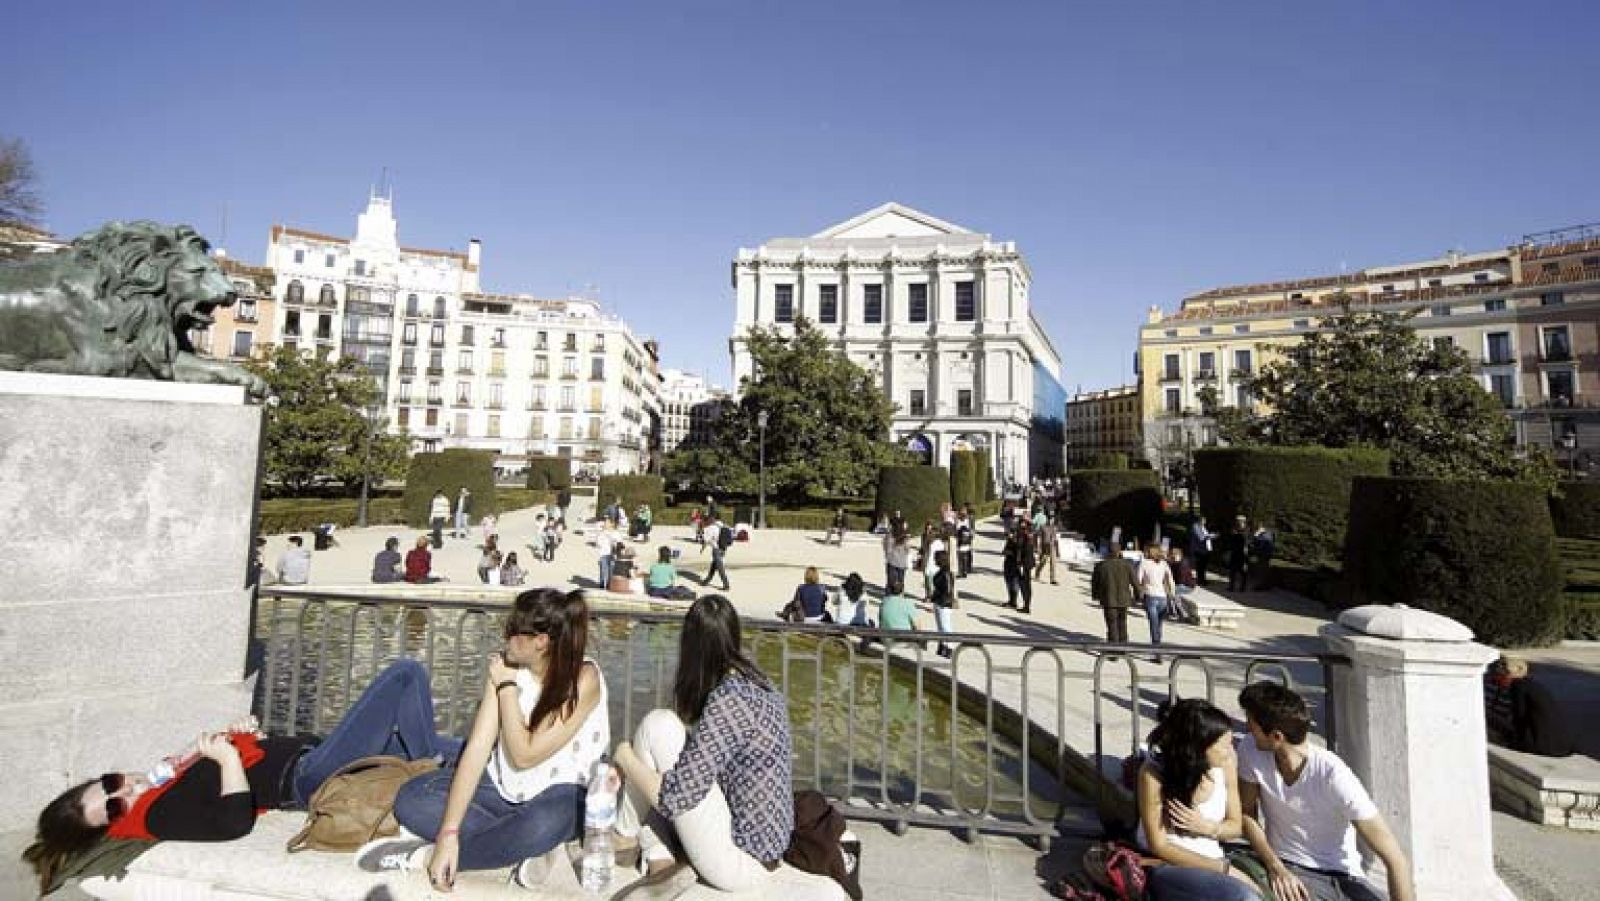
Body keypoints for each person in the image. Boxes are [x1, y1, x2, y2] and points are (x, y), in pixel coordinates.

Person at [24, 659, 459, 895]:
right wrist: (229, 758)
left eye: (109, 782)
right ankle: (430, 768)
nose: (124, 789)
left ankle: (457, 768)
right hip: (309, 778)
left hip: (311, 759)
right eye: (113, 804)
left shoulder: (159, 785)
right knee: (405, 676)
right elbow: (232, 821)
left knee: (465, 748)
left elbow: (223, 782)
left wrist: (241, 740)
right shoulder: (154, 816)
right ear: (114, 824)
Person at [371, 589, 609, 889]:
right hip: (501, 789)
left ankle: (426, 855)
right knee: (411, 799)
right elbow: (478, 749)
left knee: (545, 822)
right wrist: (449, 831)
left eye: (512, 630)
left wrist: (507, 687)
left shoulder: (583, 679)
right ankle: (518, 846)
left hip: (559, 795)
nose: (504, 636)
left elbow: (525, 754)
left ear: (540, 641)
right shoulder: (503, 668)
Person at [613, 595, 793, 895]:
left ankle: (624, 837)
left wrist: (625, 757)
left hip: (740, 863)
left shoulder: (728, 699)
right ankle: (656, 855)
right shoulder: (760, 683)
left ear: (691, 647)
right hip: (766, 850)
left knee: (657, 725)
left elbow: (676, 798)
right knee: (664, 748)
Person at [1236, 682, 1415, 901]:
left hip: (1341, 877)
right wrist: (1276, 867)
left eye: (1251, 724)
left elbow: (1395, 858)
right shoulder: (1250, 749)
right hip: (1286, 867)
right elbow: (1247, 813)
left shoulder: (1334, 776)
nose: (1247, 729)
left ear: (1276, 736)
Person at [1135, 699, 1266, 900]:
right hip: (1167, 864)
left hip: (1214, 858)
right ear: (1199, 748)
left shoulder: (1227, 763)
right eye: (1224, 745)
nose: (1230, 751)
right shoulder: (1153, 774)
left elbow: (1235, 826)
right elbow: (1159, 845)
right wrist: (1224, 869)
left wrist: (1207, 827)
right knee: (1242, 896)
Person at [1484, 655, 1575, 757]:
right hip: (1560, 745)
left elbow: (1519, 717)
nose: (1496, 678)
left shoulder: (1517, 686)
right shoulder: (1530, 684)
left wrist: (1512, 741)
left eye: (1499, 675)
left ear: (1508, 674)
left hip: (1543, 746)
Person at [1091, 547, 1139, 643]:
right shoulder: (1127, 565)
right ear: (1120, 553)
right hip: (1124, 599)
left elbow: (1095, 583)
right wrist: (1137, 596)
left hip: (1108, 599)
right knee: (1122, 623)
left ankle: (1113, 649)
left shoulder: (1101, 565)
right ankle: (1123, 645)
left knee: (1112, 624)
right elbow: (1135, 582)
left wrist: (1095, 595)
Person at [1137, 543, 1178, 650]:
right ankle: (1157, 646)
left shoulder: (1144, 563)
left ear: (1149, 552)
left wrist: (1138, 593)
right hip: (1162, 597)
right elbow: (1170, 580)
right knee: (1158, 625)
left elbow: (1138, 579)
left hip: (1150, 596)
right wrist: (1172, 593)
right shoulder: (1164, 564)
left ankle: (1157, 650)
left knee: (1154, 625)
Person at [1003, 521, 1036, 614]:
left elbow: (1022, 551)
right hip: (1024, 563)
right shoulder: (1026, 537)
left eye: (1023, 528)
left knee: (1025, 585)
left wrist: (1013, 539)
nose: (1021, 530)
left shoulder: (1027, 538)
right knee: (1022, 584)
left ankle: (1026, 606)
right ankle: (1023, 604)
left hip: (1024, 564)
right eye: (1020, 528)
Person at [929, 550, 956, 658]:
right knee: (941, 626)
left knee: (945, 626)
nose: (934, 560)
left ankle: (949, 647)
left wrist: (941, 597)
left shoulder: (946, 573)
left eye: (936, 558)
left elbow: (948, 590)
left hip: (943, 603)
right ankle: (942, 645)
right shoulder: (943, 571)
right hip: (939, 601)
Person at [1168, 547, 1197, 623]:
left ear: (1178, 556)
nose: (1172, 558)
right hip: (1181, 584)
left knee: (1172, 592)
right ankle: (1173, 611)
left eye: (1173, 556)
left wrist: (1172, 584)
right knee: (1170, 591)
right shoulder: (1176, 563)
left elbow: (1181, 581)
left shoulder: (1183, 564)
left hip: (1187, 586)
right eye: (1171, 556)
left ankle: (1182, 614)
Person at [702, 517, 732, 592]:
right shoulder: (720, 524)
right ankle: (707, 580)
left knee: (720, 567)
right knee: (714, 564)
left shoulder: (708, 529)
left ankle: (726, 585)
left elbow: (706, 540)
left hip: (716, 549)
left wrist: (703, 547)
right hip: (723, 548)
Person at [883, 524, 911, 595]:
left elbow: (888, 550)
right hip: (902, 563)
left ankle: (889, 597)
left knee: (891, 582)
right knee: (901, 581)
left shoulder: (890, 537)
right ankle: (900, 595)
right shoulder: (905, 538)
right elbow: (908, 550)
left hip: (892, 561)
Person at [1226, 516, 1251, 592]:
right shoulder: (1235, 529)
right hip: (1234, 553)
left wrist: (1237, 534)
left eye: (1239, 521)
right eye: (1237, 521)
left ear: (1243, 521)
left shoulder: (1246, 530)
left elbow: (1246, 541)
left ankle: (1242, 587)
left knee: (1243, 571)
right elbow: (1232, 540)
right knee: (1232, 571)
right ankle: (1231, 586)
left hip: (1243, 553)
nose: (1237, 522)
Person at [1188, 516, 1213, 587]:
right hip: (1199, 550)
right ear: (1200, 520)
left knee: (1203, 566)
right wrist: (1211, 536)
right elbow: (1201, 537)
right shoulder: (1196, 527)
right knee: (1200, 566)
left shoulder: (1203, 527)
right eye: (1204, 520)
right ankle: (1200, 581)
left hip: (1205, 550)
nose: (1205, 521)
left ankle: (1203, 580)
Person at [1034, 515, 1059, 585]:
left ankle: (1053, 579)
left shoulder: (1054, 528)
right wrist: (1038, 548)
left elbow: (1056, 539)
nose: (1051, 520)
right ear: (1047, 519)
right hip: (1044, 547)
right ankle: (1037, 573)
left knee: (1053, 563)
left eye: (1052, 519)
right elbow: (1039, 537)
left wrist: (1057, 551)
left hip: (1052, 547)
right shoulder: (1043, 527)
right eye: (1050, 518)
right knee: (1043, 561)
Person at [1251, 523, 1276, 591]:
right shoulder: (1268, 534)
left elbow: (1257, 543)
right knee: (1263, 570)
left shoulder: (1265, 535)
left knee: (1262, 571)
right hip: (1265, 555)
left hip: (1263, 555)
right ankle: (1265, 585)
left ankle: (1262, 586)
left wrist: (1256, 534)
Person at [595, 520, 617, 590]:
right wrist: (602, 534)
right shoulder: (601, 533)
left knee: (611, 571)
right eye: (605, 523)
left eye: (607, 523)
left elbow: (618, 542)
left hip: (612, 554)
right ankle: (601, 585)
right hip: (603, 553)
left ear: (611, 524)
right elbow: (598, 543)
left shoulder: (615, 533)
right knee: (603, 570)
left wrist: (611, 538)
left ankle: (609, 585)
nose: (605, 524)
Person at [955, 511, 974, 579]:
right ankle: (964, 571)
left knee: (962, 558)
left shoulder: (960, 522)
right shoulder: (966, 521)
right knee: (964, 557)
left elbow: (957, 532)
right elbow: (971, 531)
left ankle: (963, 571)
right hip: (965, 542)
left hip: (963, 542)